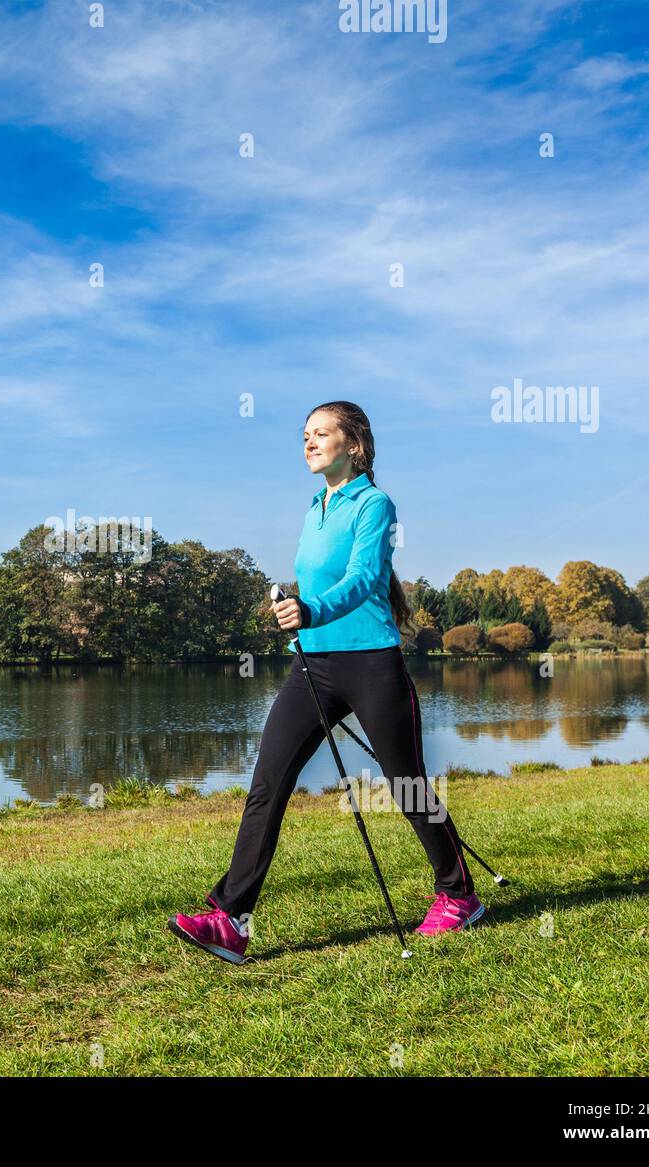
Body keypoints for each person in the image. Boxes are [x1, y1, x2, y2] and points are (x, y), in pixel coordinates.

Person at [169, 400, 483, 964]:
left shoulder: (375, 504)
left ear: (354, 445)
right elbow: (314, 585)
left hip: (372, 664)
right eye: (304, 435)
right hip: (312, 665)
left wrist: (310, 609)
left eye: (321, 434)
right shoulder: (315, 506)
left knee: (406, 785)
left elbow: (365, 578)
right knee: (268, 782)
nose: (308, 443)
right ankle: (231, 920)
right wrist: (293, 609)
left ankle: (458, 894)